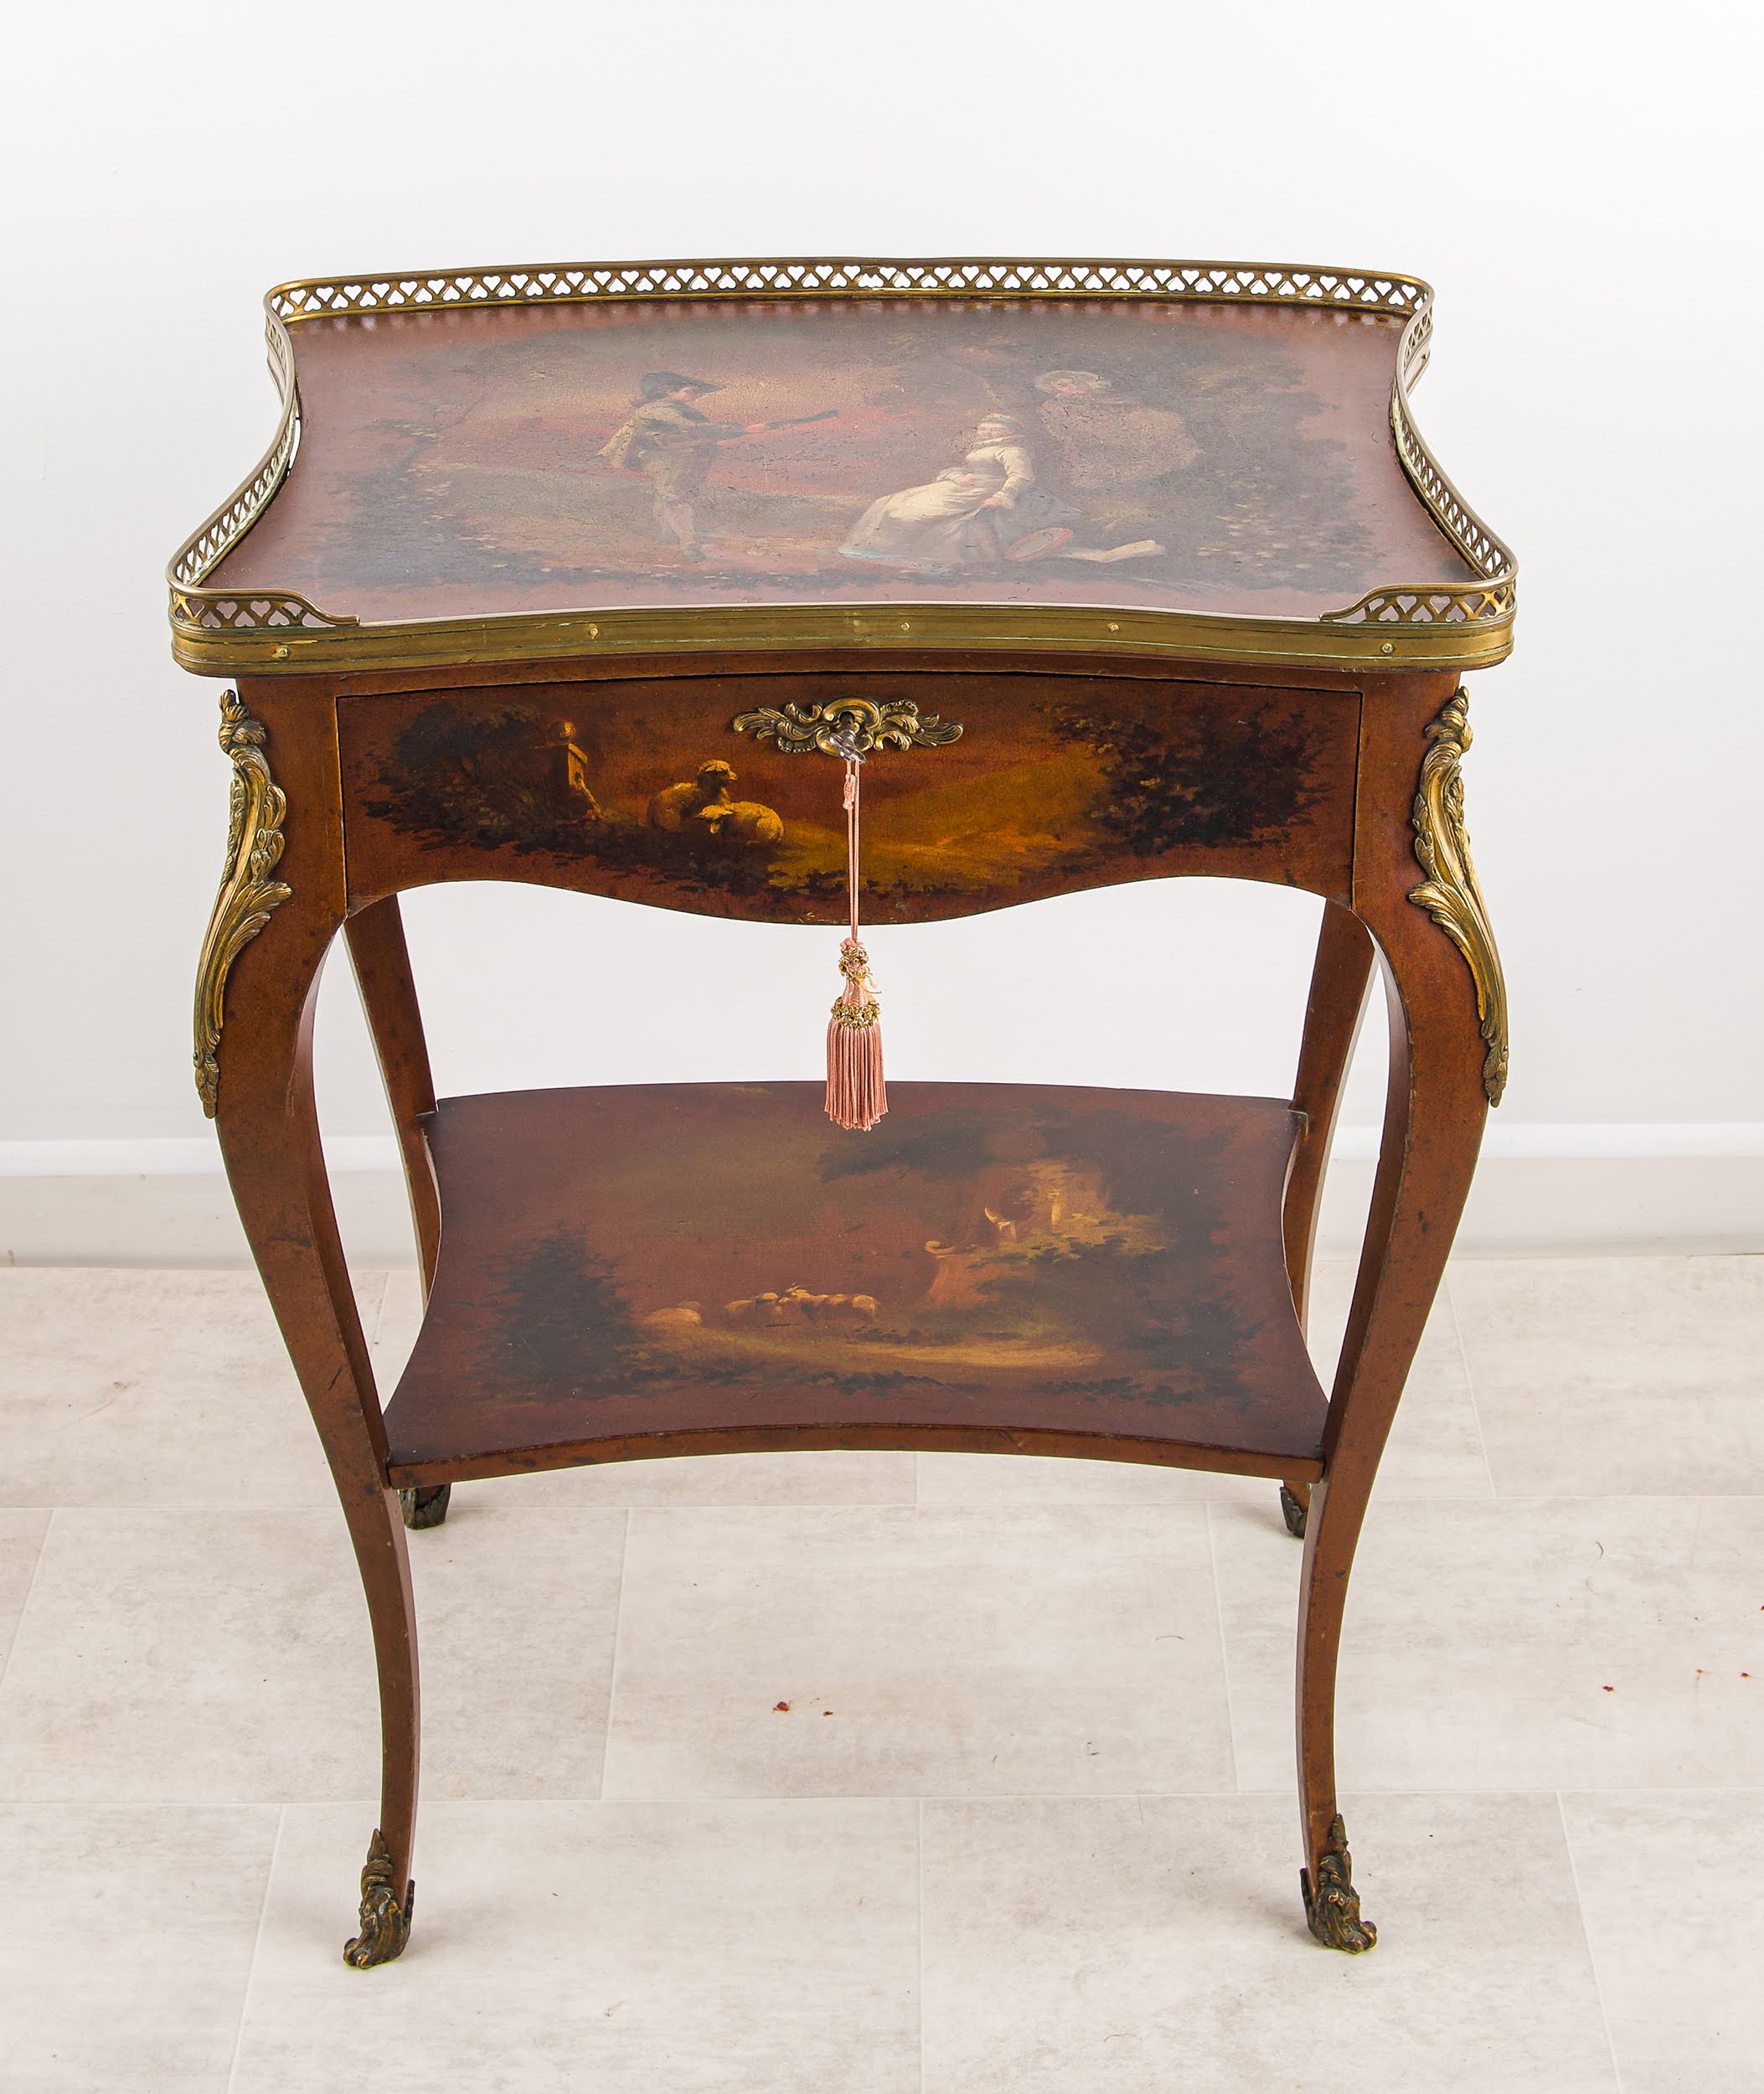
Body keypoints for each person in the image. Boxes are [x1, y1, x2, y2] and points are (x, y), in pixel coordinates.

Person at [840, 414, 1074, 570]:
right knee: (889, 503)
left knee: (913, 514)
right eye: (984, 429)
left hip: (987, 489)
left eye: (994, 429)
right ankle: (877, 548)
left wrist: (1002, 496)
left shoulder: (1012, 450)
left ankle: (903, 551)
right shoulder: (982, 449)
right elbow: (969, 468)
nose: (987, 433)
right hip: (966, 485)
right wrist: (957, 476)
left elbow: (1022, 476)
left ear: (1007, 431)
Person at [598, 372, 768, 560]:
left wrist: (735, 431)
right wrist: (741, 430)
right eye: (690, 391)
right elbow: (692, 427)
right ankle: (688, 544)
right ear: (668, 391)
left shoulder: (674, 407)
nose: (697, 395)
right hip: (663, 459)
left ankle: (668, 534)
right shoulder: (658, 409)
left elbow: (698, 431)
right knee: (674, 497)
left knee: (670, 494)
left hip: (681, 458)